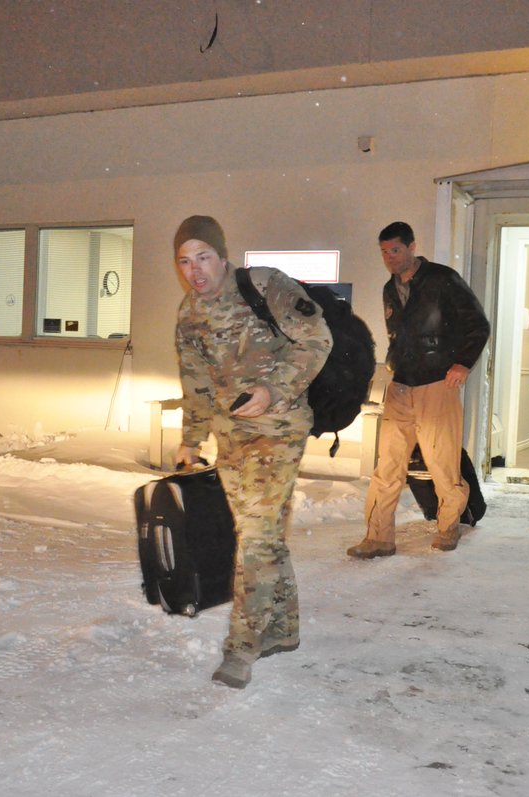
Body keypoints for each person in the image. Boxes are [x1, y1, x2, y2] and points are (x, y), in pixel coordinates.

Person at [172, 215, 333, 689]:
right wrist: (191, 438)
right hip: (230, 436)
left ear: (222, 256)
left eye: (203, 257)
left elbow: (317, 338)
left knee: (257, 536)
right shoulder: (189, 313)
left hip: (278, 428)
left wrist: (273, 390)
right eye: (184, 260)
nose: (195, 269)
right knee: (260, 533)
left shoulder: (263, 285)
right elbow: (195, 383)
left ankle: (242, 647)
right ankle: (282, 630)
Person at [348, 221, 489, 558]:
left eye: (395, 250)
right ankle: (379, 537)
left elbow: (478, 325)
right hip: (400, 386)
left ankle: (448, 526)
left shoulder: (443, 279)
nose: (389, 258)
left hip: (437, 385)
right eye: (384, 252)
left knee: (443, 464)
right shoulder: (388, 289)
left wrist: (463, 362)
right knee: (388, 466)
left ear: (411, 247)